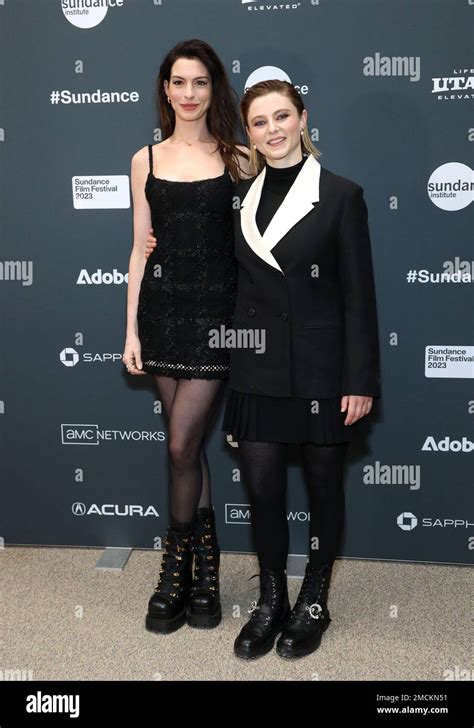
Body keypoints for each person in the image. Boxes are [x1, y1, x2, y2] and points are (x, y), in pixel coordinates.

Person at [145, 79, 381, 659]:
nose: (272, 130)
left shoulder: (342, 195)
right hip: (256, 371)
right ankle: (271, 597)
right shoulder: (240, 197)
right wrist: (157, 246)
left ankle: (315, 599)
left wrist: (360, 380)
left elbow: (359, 298)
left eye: (282, 117)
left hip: (324, 373)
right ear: (247, 133)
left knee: (325, 490)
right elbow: (210, 259)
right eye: (259, 122)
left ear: (303, 119)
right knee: (263, 491)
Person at [122, 38, 249, 635]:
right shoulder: (144, 159)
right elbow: (138, 250)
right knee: (189, 450)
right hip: (161, 313)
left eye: (200, 82)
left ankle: (177, 565)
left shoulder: (238, 158)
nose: (190, 93)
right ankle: (199, 574)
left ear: (213, 88)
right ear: (165, 88)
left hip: (217, 319)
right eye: (180, 82)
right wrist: (130, 331)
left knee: (179, 447)